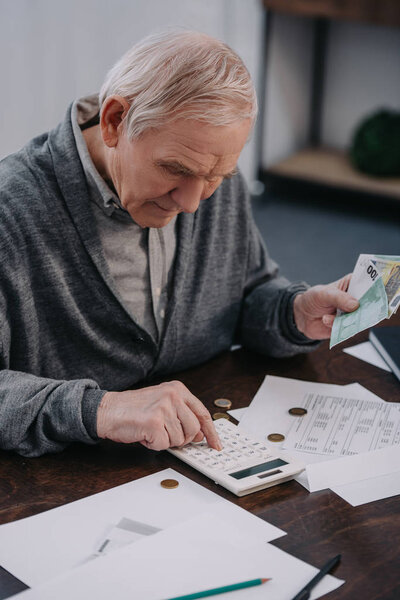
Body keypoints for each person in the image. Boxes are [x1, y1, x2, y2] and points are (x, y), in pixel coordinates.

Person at [0, 30, 358, 457]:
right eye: (174, 169)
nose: (192, 203)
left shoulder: (212, 176)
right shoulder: (11, 212)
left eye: (215, 177)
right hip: (63, 487)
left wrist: (291, 313)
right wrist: (102, 409)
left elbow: (244, 296)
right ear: (114, 121)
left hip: (198, 456)